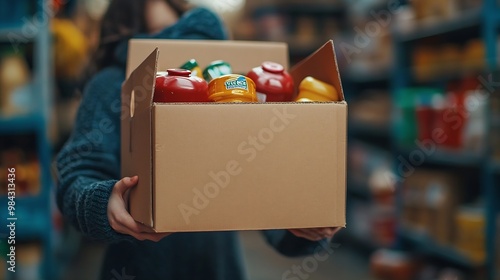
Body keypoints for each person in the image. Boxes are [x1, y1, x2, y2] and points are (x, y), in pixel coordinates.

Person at [55, 0, 340, 279]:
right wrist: (104, 204)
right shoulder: (111, 86)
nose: (175, 41)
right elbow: (77, 174)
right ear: (128, 34)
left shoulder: (226, 90)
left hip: (218, 267)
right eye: (157, 34)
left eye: (176, 28)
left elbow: (264, 195)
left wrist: (305, 223)